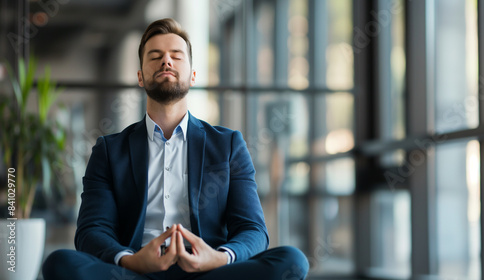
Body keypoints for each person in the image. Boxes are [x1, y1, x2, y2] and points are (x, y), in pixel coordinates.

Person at [42, 18, 309, 280]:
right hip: (135, 271)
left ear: (193, 76)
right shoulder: (109, 150)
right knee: (59, 262)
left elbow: (252, 229)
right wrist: (132, 260)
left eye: (176, 56)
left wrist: (218, 258)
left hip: (208, 272)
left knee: (292, 261)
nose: (166, 61)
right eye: (155, 56)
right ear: (140, 77)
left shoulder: (228, 145)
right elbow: (92, 229)